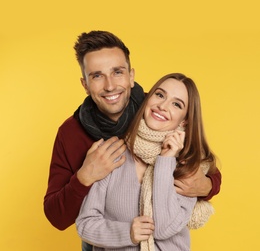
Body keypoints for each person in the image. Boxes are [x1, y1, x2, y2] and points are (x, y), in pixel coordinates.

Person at [43, 31, 221, 250]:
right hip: (105, 237)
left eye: (117, 72)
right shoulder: (72, 133)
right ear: (85, 84)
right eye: (97, 76)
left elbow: (199, 162)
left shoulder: (155, 109)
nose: (110, 86)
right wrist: (85, 176)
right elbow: (58, 217)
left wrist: (207, 185)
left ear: (131, 75)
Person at [76, 73, 218, 250]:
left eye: (176, 104)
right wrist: (126, 232)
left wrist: (166, 160)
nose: (162, 106)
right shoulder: (112, 154)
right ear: (147, 99)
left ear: (185, 121)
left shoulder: (188, 166)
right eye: (159, 95)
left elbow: (163, 228)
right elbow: (85, 224)